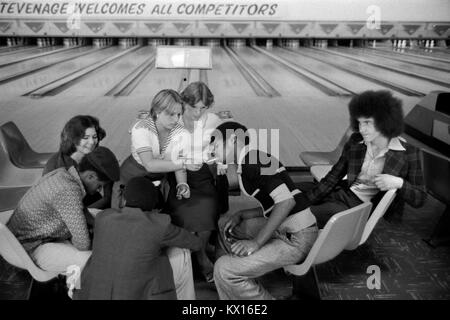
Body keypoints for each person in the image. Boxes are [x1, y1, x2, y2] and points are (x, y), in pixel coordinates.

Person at [210, 122, 319, 300]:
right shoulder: (252, 159)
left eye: (215, 144)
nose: (212, 150)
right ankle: (234, 281)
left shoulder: (253, 162)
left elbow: (286, 202)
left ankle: (231, 277)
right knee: (227, 226)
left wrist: (256, 243)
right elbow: (278, 202)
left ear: (233, 139)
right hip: (294, 228)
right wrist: (243, 214)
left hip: (296, 238)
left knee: (224, 269)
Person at [296, 90, 427, 228]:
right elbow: (333, 177)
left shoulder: (409, 153)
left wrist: (399, 183)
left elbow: (420, 198)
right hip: (341, 193)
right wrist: (307, 200)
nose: (362, 129)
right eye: (359, 123)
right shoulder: (356, 141)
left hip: (358, 210)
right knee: (290, 193)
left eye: (367, 123)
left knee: (300, 215)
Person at [73, 176, 202, 300]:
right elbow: (195, 243)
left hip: (93, 294)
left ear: (124, 200)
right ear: (153, 204)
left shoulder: (103, 217)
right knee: (181, 252)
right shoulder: (159, 224)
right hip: (136, 295)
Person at [7, 146, 120, 274]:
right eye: (99, 186)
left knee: (100, 215)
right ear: (90, 176)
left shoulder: (66, 174)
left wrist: (97, 224)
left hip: (32, 235)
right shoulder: (68, 190)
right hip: (27, 248)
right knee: (89, 260)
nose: (98, 190)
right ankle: (75, 291)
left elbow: (82, 211)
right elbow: (83, 244)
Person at [165, 81, 224, 283]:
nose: (198, 112)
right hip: (177, 172)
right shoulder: (173, 120)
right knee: (184, 211)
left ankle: (197, 254)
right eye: (193, 107)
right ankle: (202, 257)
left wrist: (216, 158)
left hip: (203, 173)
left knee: (207, 210)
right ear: (183, 103)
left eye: (203, 107)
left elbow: (229, 140)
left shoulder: (214, 120)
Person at [119, 89, 202, 207]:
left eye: (178, 114)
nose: (175, 119)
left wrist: (182, 184)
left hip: (159, 177)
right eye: (170, 114)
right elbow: (150, 165)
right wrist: (184, 164)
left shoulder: (181, 133)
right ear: (157, 111)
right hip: (132, 176)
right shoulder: (142, 128)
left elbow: (179, 162)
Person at [43, 115, 112, 210]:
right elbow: (62, 208)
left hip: (86, 204)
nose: (92, 142)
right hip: (63, 212)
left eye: (94, 137)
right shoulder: (58, 167)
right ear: (73, 139)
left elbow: (108, 196)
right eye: (85, 137)